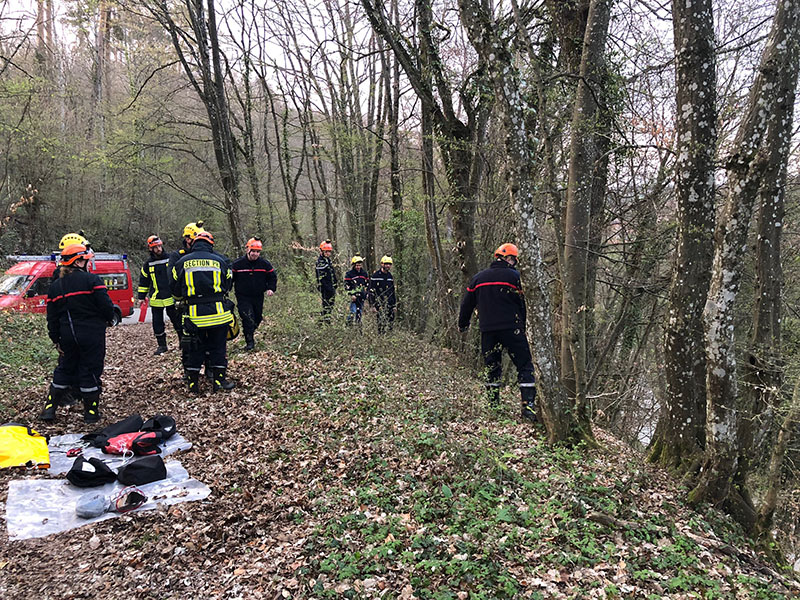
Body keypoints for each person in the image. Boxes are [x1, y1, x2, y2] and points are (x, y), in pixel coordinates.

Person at [458, 243, 536, 422]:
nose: (515, 264)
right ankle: (528, 407)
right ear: (509, 259)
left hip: (488, 331)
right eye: (514, 260)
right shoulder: (516, 278)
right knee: (525, 366)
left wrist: (463, 324)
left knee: (492, 367)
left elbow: (467, 304)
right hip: (512, 329)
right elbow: (525, 304)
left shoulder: (479, 278)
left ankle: (493, 405)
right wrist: (525, 325)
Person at [40, 243, 114, 423]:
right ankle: (91, 413)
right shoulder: (92, 281)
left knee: (65, 369)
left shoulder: (56, 287)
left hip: (67, 336)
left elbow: (52, 317)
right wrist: (108, 319)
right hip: (91, 335)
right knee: (90, 369)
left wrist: (55, 338)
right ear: (79, 262)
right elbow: (106, 306)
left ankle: (49, 409)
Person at [171, 230, 236, 393]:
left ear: (193, 243)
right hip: (219, 314)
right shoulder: (221, 261)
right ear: (211, 244)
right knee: (218, 347)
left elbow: (174, 289)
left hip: (194, 316)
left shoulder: (181, 262)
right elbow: (228, 284)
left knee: (194, 348)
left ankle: (193, 385)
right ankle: (219, 382)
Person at [136, 235, 181, 355]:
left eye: (160, 246)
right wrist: (141, 296)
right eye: (156, 247)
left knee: (177, 320)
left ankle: (183, 341)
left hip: (171, 296)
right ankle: (162, 345)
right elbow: (144, 281)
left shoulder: (171, 258)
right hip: (156, 297)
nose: (159, 249)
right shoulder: (148, 264)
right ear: (150, 249)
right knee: (157, 323)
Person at [231, 237, 277, 351]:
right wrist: (225, 290)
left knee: (257, 318)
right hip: (243, 296)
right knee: (247, 318)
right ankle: (250, 342)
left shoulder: (264, 264)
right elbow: (229, 278)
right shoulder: (237, 264)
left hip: (258, 296)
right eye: (253, 251)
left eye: (258, 252)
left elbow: (272, 277)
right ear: (248, 250)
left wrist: (271, 288)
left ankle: (250, 331)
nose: (255, 254)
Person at [368, 256, 397, 334]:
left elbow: (392, 291)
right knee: (381, 323)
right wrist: (372, 305)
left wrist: (394, 305)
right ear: (382, 264)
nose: (388, 266)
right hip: (379, 303)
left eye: (389, 264)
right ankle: (381, 338)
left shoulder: (390, 276)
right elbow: (371, 291)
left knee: (390, 323)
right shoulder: (375, 276)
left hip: (389, 303)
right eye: (386, 264)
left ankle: (389, 338)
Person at [315, 240, 337, 322]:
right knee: (326, 305)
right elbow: (321, 278)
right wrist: (328, 287)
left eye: (329, 252)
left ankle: (326, 320)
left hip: (331, 287)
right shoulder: (320, 262)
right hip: (325, 288)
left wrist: (335, 283)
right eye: (326, 252)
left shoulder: (328, 260)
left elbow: (332, 273)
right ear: (322, 251)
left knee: (331, 305)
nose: (328, 253)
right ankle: (323, 321)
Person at [344, 255, 369, 326]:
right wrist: (351, 294)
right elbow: (346, 285)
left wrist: (366, 293)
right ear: (354, 265)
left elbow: (367, 284)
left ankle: (359, 329)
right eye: (357, 265)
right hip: (354, 297)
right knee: (353, 312)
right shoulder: (349, 274)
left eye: (359, 265)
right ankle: (348, 325)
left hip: (361, 297)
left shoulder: (364, 273)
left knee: (359, 313)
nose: (358, 267)